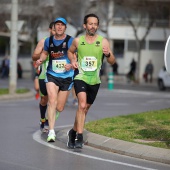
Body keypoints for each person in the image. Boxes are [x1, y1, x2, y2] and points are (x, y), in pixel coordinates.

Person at [67, 13, 115, 149]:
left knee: (85, 109)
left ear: (97, 26)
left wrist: (108, 54)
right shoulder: (78, 41)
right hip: (80, 77)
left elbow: (112, 61)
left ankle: (73, 132)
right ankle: (79, 138)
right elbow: (70, 52)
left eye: (95, 24)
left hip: (95, 80)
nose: (93, 26)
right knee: (81, 105)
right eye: (90, 24)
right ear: (85, 25)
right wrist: (73, 60)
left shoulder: (103, 41)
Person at [36, 17, 74, 142]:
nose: (59, 27)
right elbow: (45, 53)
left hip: (66, 76)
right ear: (54, 27)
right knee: (51, 101)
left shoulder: (70, 41)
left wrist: (72, 63)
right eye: (57, 25)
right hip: (52, 75)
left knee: (60, 107)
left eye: (62, 25)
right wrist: (41, 59)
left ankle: (50, 118)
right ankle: (51, 132)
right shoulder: (48, 41)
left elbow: (74, 55)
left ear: (65, 28)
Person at [32, 21, 56, 132]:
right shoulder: (44, 41)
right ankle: (43, 119)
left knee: (58, 104)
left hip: (59, 75)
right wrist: (42, 53)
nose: (56, 31)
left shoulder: (65, 42)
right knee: (44, 100)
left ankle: (48, 120)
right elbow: (34, 56)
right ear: (50, 30)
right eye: (54, 29)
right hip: (44, 75)